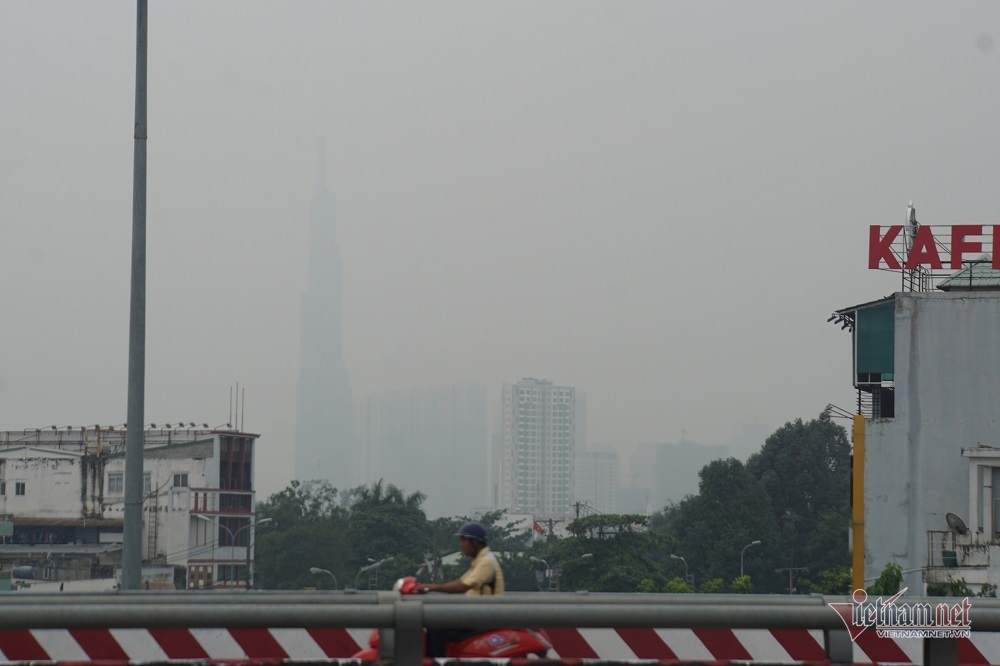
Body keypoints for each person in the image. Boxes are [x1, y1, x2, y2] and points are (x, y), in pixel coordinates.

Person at [419, 521, 504, 656]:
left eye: (464, 540)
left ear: (476, 542)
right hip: (477, 612)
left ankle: (437, 661)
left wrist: (429, 588)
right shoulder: (480, 560)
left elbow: (463, 586)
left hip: (483, 615)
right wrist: (430, 588)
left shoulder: (486, 561)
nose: (461, 544)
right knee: (434, 619)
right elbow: (461, 582)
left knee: (436, 623)